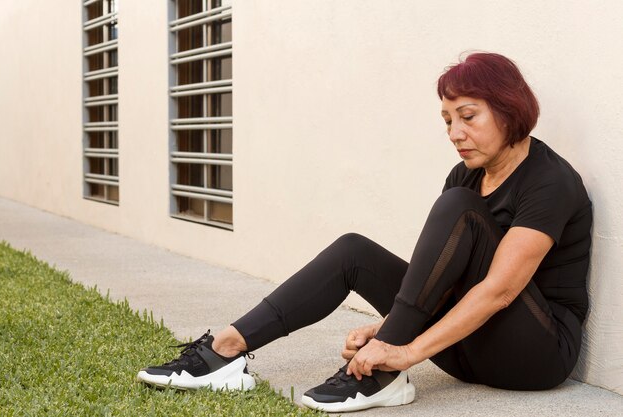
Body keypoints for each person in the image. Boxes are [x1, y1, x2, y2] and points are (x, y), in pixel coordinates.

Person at [136, 52, 592, 413]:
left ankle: (383, 375)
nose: (455, 132)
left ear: (509, 111)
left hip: (535, 355)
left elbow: (499, 291)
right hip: (468, 350)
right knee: (354, 251)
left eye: (468, 116)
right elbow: (442, 279)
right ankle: (226, 350)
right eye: (447, 120)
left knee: (458, 208)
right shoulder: (465, 175)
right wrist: (386, 328)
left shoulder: (548, 181)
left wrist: (404, 351)